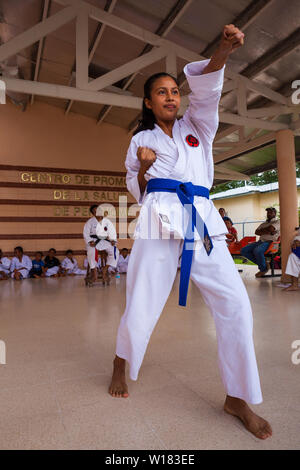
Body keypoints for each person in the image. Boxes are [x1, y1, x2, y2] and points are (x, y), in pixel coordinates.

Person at [109, 25, 272, 440]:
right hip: (159, 222)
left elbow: (208, 92)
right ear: (148, 102)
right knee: (141, 302)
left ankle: (237, 397)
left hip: (202, 223)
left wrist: (221, 50)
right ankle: (119, 362)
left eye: (174, 91)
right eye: (161, 92)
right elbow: (137, 188)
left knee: (236, 304)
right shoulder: (140, 139)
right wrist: (143, 167)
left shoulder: (198, 127)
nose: (170, 96)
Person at [241, 207, 280, 277]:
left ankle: (263, 269)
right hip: (260, 241)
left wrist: (262, 231)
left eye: (271, 212)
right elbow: (256, 232)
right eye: (268, 212)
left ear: (275, 214)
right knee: (244, 250)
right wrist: (268, 231)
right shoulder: (264, 223)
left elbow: (271, 228)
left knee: (257, 251)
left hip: (270, 242)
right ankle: (264, 265)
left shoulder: (277, 221)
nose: (269, 214)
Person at [95, 207, 119, 285]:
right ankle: (104, 269)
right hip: (96, 243)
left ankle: (106, 268)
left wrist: (112, 240)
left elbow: (111, 233)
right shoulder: (92, 222)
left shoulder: (107, 222)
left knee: (116, 251)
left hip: (106, 243)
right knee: (114, 251)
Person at [83, 205, 99, 284]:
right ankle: (94, 271)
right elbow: (86, 234)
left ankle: (106, 269)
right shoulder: (89, 222)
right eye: (95, 211)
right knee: (91, 250)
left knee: (114, 250)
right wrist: (90, 241)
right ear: (93, 213)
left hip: (103, 241)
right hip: (93, 240)